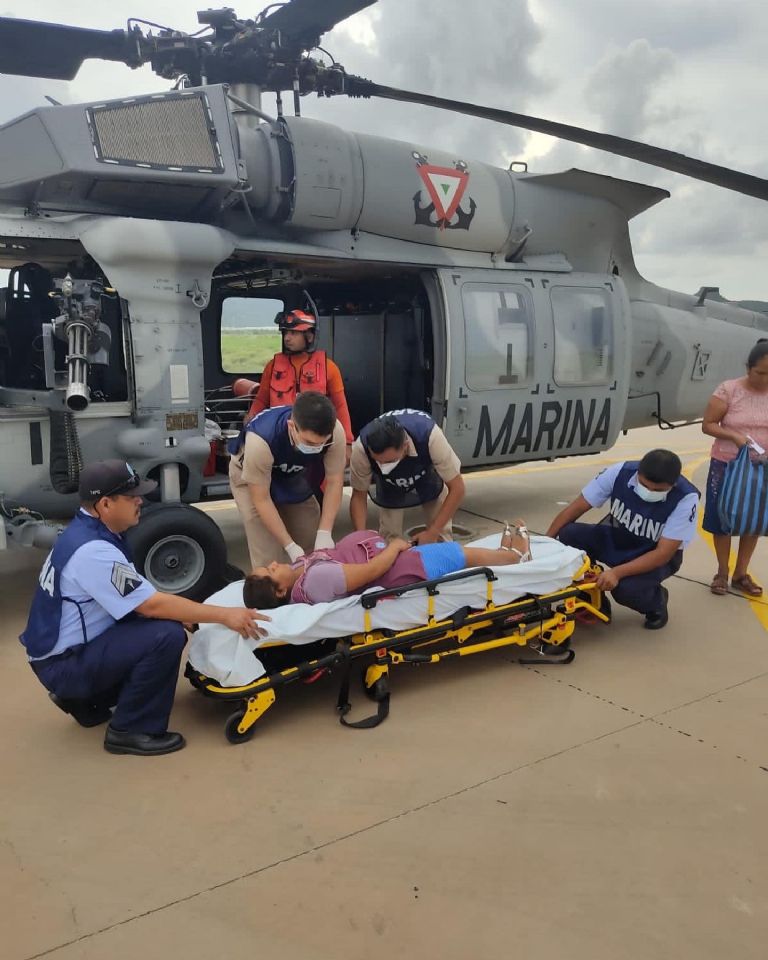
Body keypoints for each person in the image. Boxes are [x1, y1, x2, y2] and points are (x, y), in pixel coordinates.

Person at [19, 460, 269, 756]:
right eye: (131, 496)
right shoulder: (95, 552)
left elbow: (136, 594)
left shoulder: (83, 532)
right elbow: (151, 605)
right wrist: (226, 615)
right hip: (64, 665)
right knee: (166, 634)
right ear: (106, 504)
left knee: (162, 621)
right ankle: (131, 729)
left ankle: (85, 701)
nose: (141, 500)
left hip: (59, 656)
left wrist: (180, 611)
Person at [546, 449, 699, 630]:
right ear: (638, 473)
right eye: (645, 485)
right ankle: (592, 596)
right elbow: (577, 507)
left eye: (658, 490)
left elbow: (663, 554)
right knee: (568, 534)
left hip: (651, 554)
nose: (649, 492)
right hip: (617, 538)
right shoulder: (619, 472)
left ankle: (656, 602)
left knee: (625, 590)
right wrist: (546, 543)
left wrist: (616, 573)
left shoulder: (686, 498)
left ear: (673, 484)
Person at [242, 522, 532, 608]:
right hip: (400, 568)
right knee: (461, 555)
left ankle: (502, 553)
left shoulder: (297, 577)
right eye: (270, 571)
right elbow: (371, 572)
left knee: (456, 553)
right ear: (280, 591)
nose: (273, 563)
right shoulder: (314, 582)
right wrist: (393, 547)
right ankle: (516, 558)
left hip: (399, 560)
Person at [228, 391, 346, 568]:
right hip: (252, 475)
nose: (316, 447)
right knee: (268, 555)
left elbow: (335, 481)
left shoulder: (335, 432)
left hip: (292, 473)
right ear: (292, 426)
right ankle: (272, 592)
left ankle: (308, 589)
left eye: (321, 443)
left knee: (309, 535)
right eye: (309, 442)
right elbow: (261, 499)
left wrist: (325, 531)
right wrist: (289, 546)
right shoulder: (260, 440)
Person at [701, 341, 768, 596]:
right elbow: (708, 424)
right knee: (722, 518)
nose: (764, 379)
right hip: (727, 466)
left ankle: (741, 574)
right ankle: (721, 572)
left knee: (753, 520)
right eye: (760, 373)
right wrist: (735, 437)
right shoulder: (729, 390)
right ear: (748, 368)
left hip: (762, 467)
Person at [241, 309, 354, 455]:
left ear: (309, 336)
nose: (287, 338)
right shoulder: (272, 366)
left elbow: (340, 406)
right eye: (285, 333)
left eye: (293, 333)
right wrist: (249, 426)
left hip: (316, 441)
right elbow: (262, 400)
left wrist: (347, 442)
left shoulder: (329, 368)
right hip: (279, 438)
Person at [349, 410, 465, 544]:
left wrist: (433, 532)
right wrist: (359, 539)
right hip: (389, 484)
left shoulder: (430, 436)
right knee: (389, 536)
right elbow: (359, 495)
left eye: (388, 462)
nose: (382, 466)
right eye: (377, 461)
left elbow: (458, 488)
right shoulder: (361, 448)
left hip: (425, 472)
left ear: (405, 446)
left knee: (441, 535)